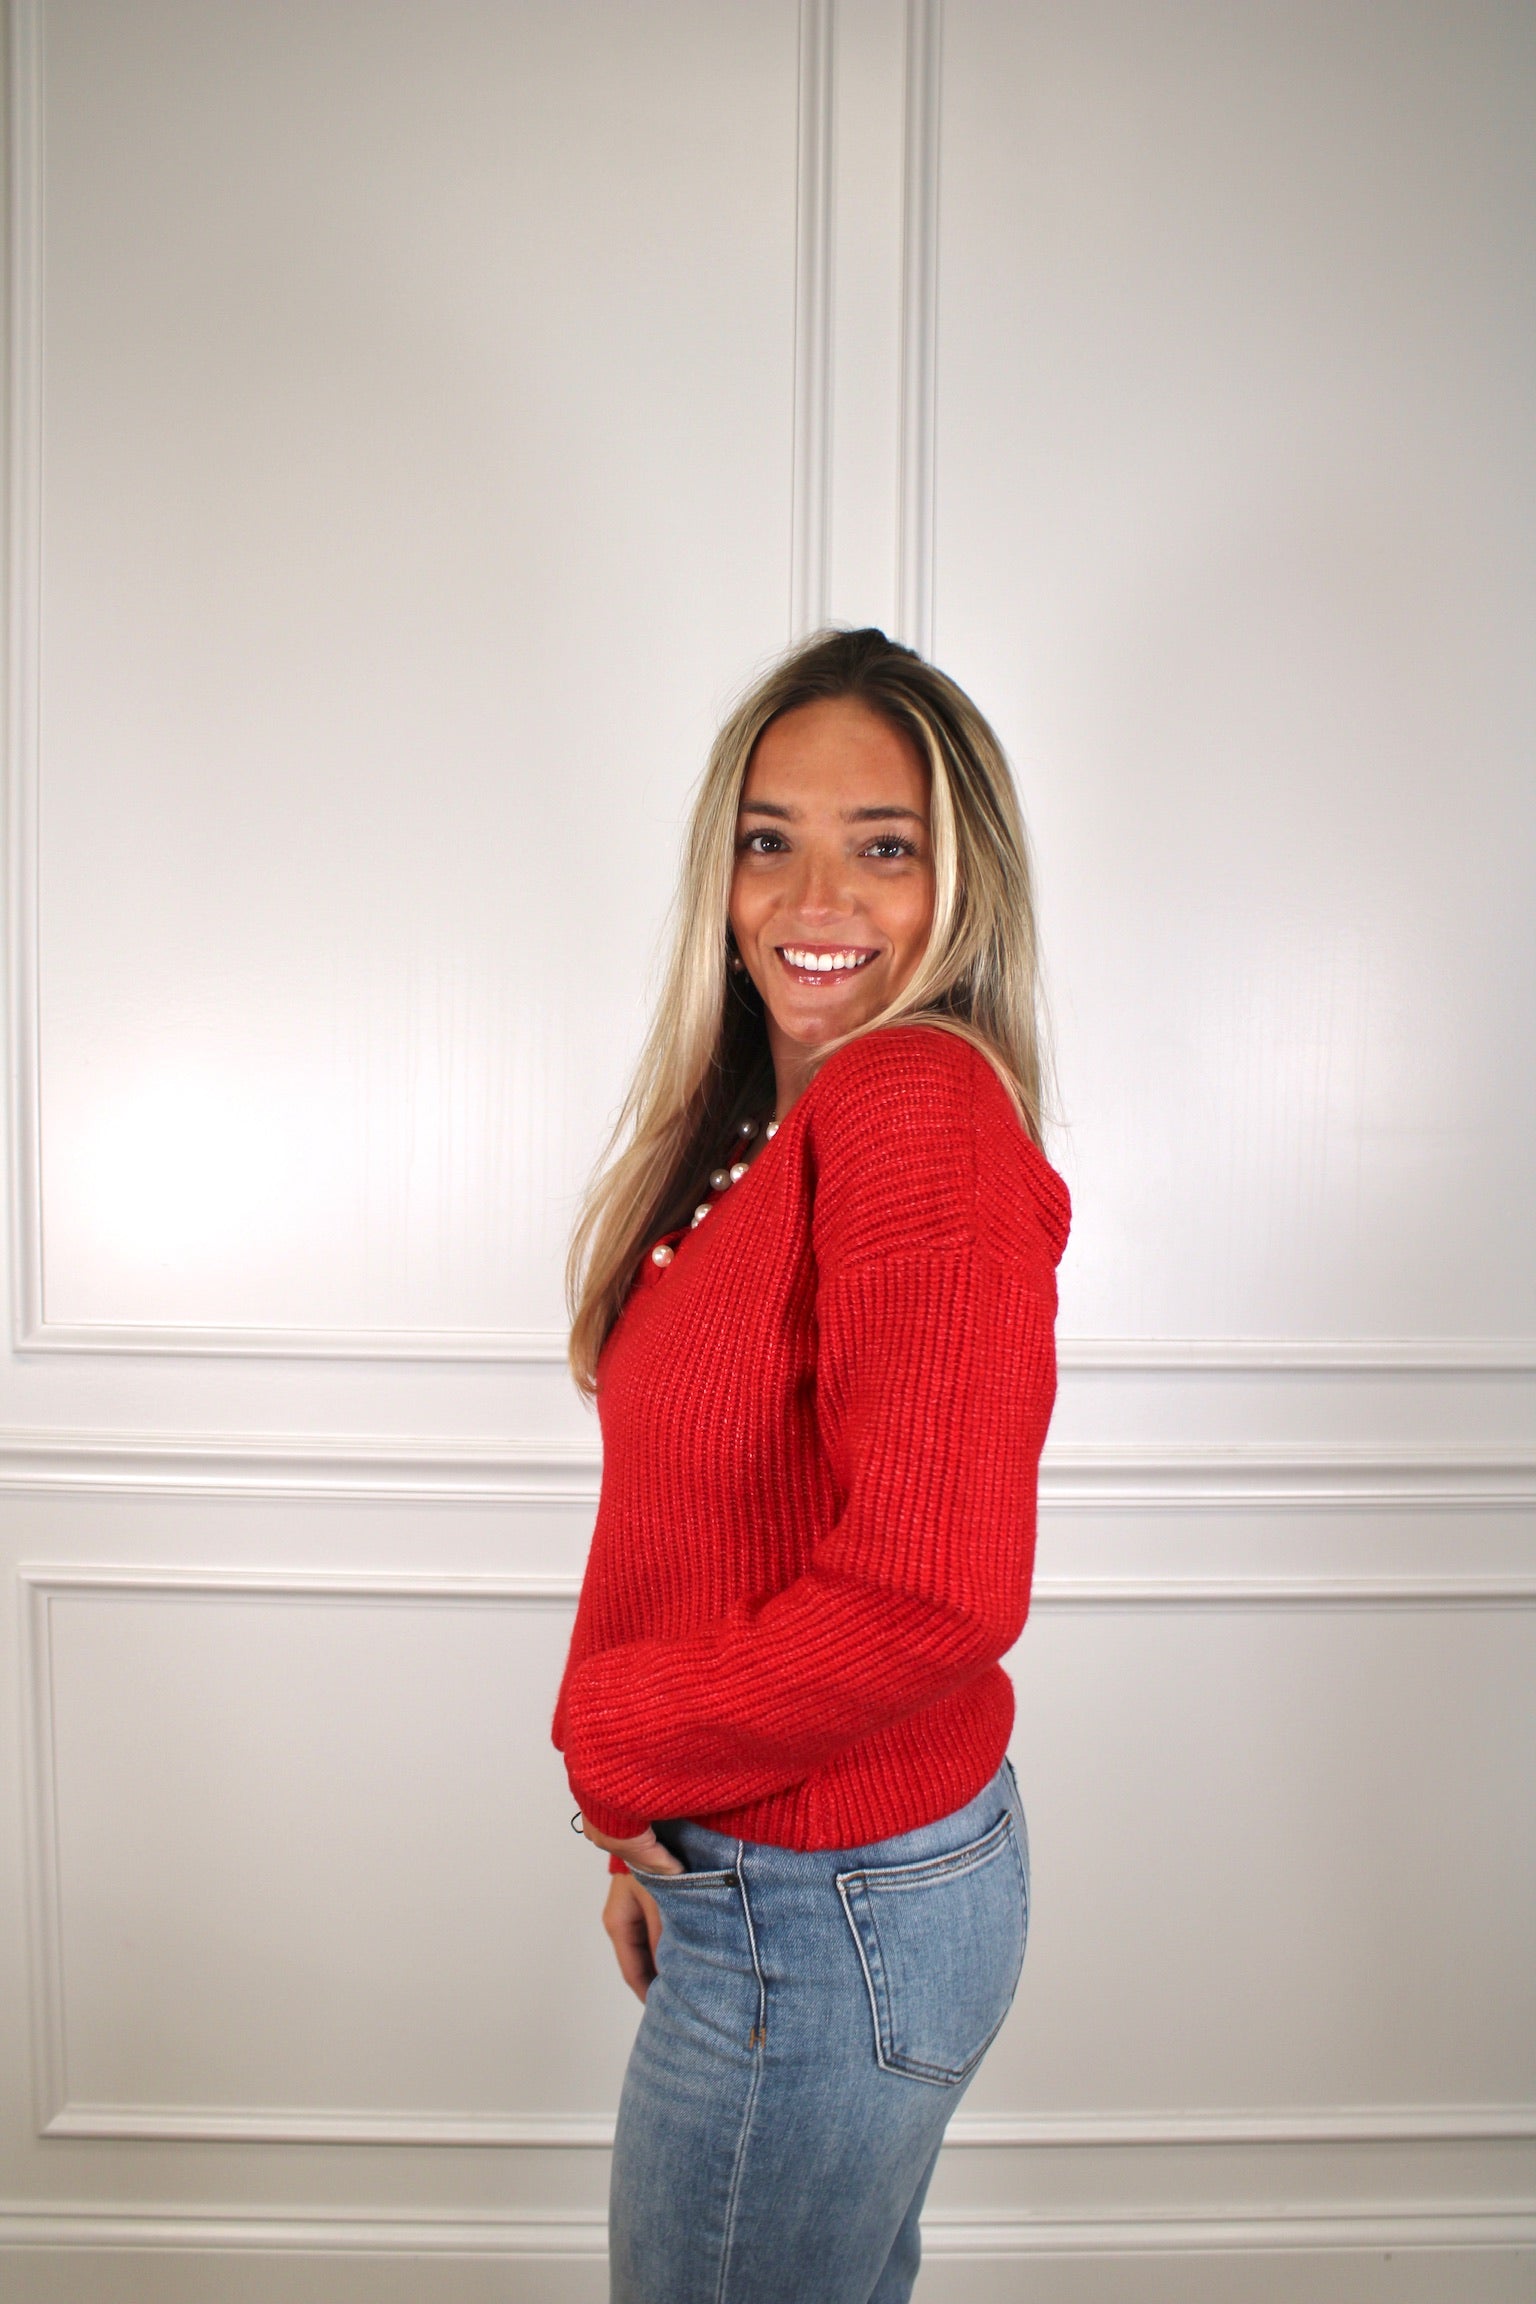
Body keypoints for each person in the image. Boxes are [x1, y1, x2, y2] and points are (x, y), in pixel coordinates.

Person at [554, 626, 1070, 2304]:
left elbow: (934, 1590)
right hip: (781, 1879)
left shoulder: (913, 1104)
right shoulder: (769, 1131)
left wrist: (621, 1748)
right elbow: (699, 1523)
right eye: (769, 839)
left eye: (885, 847)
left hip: (823, 1901)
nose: (814, 899)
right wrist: (651, 1838)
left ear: (961, 884)